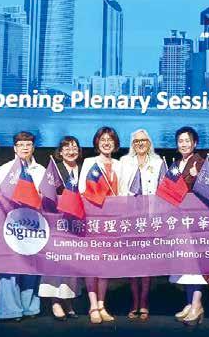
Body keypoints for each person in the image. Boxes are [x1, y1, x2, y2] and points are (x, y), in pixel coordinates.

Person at [0, 131, 45, 322]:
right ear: (15, 148)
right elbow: (1, 195)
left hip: (34, 224)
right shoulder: (6, 168)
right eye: (21, 145)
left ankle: (29, 307)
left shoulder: (40, 170)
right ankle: (10, 310)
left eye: (28, 144)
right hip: (12, 223)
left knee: (31, 265)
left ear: (33, 147)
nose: (25, 148)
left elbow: (46, 195)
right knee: (10, 265)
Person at [119, 129, 164, 321]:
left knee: (146, 262)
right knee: (132, 263)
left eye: (143, 140)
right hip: (129, 218)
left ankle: (144, 302)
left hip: (151, 218)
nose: (140, 144)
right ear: (132, 144)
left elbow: (163, 190)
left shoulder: (158, 162)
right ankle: (134, 301)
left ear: (149, 142)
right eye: (136, 141)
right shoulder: (124, 162)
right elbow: (119, 189)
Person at [78, 126, 122, 324]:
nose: (106, 143)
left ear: (115, 143)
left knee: (105, 265)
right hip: (93, 220)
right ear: (97, 142)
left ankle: (102, 305)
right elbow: (82, 189)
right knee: (92, 263)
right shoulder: (90, 162)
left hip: (112, 221)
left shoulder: (120, 164)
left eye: (110, 140)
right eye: (103, 139)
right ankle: (93, 305)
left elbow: (124, 191)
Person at [39, 136, 82, 320]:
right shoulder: (55, 169)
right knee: (56, 262)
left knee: (72, 264)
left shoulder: (83, 168)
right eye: (67, 148)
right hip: (57, 221)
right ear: (61, 152)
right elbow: (45, 194)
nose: (71, 151)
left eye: (74, 148)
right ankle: (55, 301)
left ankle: (68, 300)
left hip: (77, 222)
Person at [167, 126, 206, 326]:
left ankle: (197, 305)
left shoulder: (200, 162)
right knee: (185, 263)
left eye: (187, 141)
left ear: (194, 143)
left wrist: (198, 176)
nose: (183, 144)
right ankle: (189, 303)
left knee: (196, 265)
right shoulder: (175, 164)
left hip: (196, 222)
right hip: (179, 221)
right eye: (180, 141)